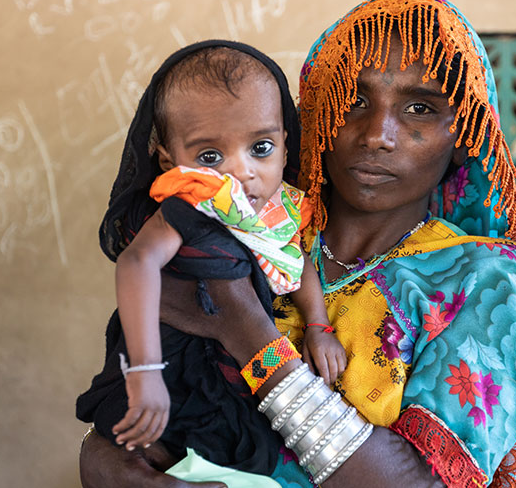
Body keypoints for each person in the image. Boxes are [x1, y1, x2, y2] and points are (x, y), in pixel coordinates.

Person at [79, 0, 516, 488]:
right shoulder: (250, 230)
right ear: (315, 110)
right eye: (355, 100)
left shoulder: (485, 283)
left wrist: (248, 329)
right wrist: (111, 467)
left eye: (421, 108)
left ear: (463, 135)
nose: (377, 134)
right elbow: (142, 399)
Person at [77, 40, 344, 477]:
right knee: (147, 447)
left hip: (233, 379)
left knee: (239, 461)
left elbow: (294, 264)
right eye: (210, 156)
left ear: (285, 140)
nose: (241, 171)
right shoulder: (194, 202)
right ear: (168, 158)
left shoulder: (279, 208)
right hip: (171, 363)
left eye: (261, 148)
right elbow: (137, 263)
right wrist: (144, 371)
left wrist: (317, 326)